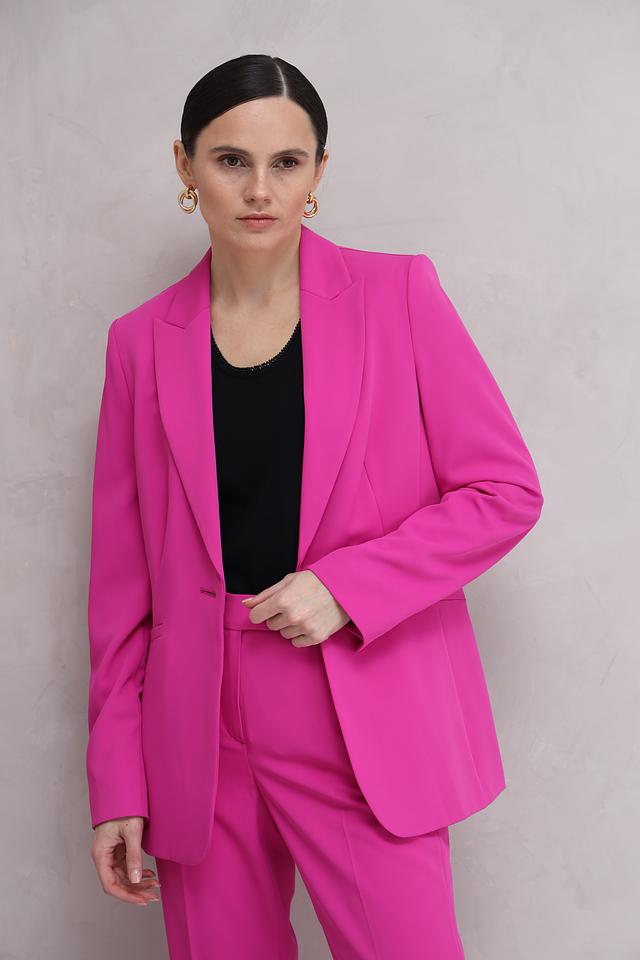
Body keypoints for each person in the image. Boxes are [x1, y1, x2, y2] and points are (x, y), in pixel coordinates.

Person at [86, 54, 543, 959]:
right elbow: (120, 587)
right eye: (231, 160)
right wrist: (117, 780)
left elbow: (504, 492)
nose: (260, 190)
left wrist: (347, 586)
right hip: (196, 725)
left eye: (287, 162)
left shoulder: (398, 295)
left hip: (359, 702)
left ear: (319, 172)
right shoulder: (139, 342)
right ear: (185, 165)